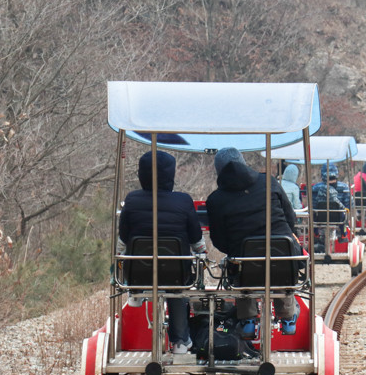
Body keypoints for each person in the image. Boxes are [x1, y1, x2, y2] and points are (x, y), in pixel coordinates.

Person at [206, 147, 302, 335]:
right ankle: (288, 317)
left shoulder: (215, 200)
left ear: (218, 170)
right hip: (284, 257)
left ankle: (248, 319)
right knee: (281, 260)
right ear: (243, 162)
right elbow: (290, 218)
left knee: (241, 261)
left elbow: (218, 239)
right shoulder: (270, 182)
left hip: (246, 268)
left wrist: (236, 247)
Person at [118, 150, 204, 355]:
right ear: (170, 175)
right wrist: (203, 254)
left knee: (136, 265)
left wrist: (119, 263)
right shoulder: (183, 201)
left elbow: (123, 237)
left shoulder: (131, 200)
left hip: (138, 272)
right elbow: (195, 238)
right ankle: (181, 341)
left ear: (142, 175)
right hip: (176, 273)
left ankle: (135, 293)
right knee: (177, 290)